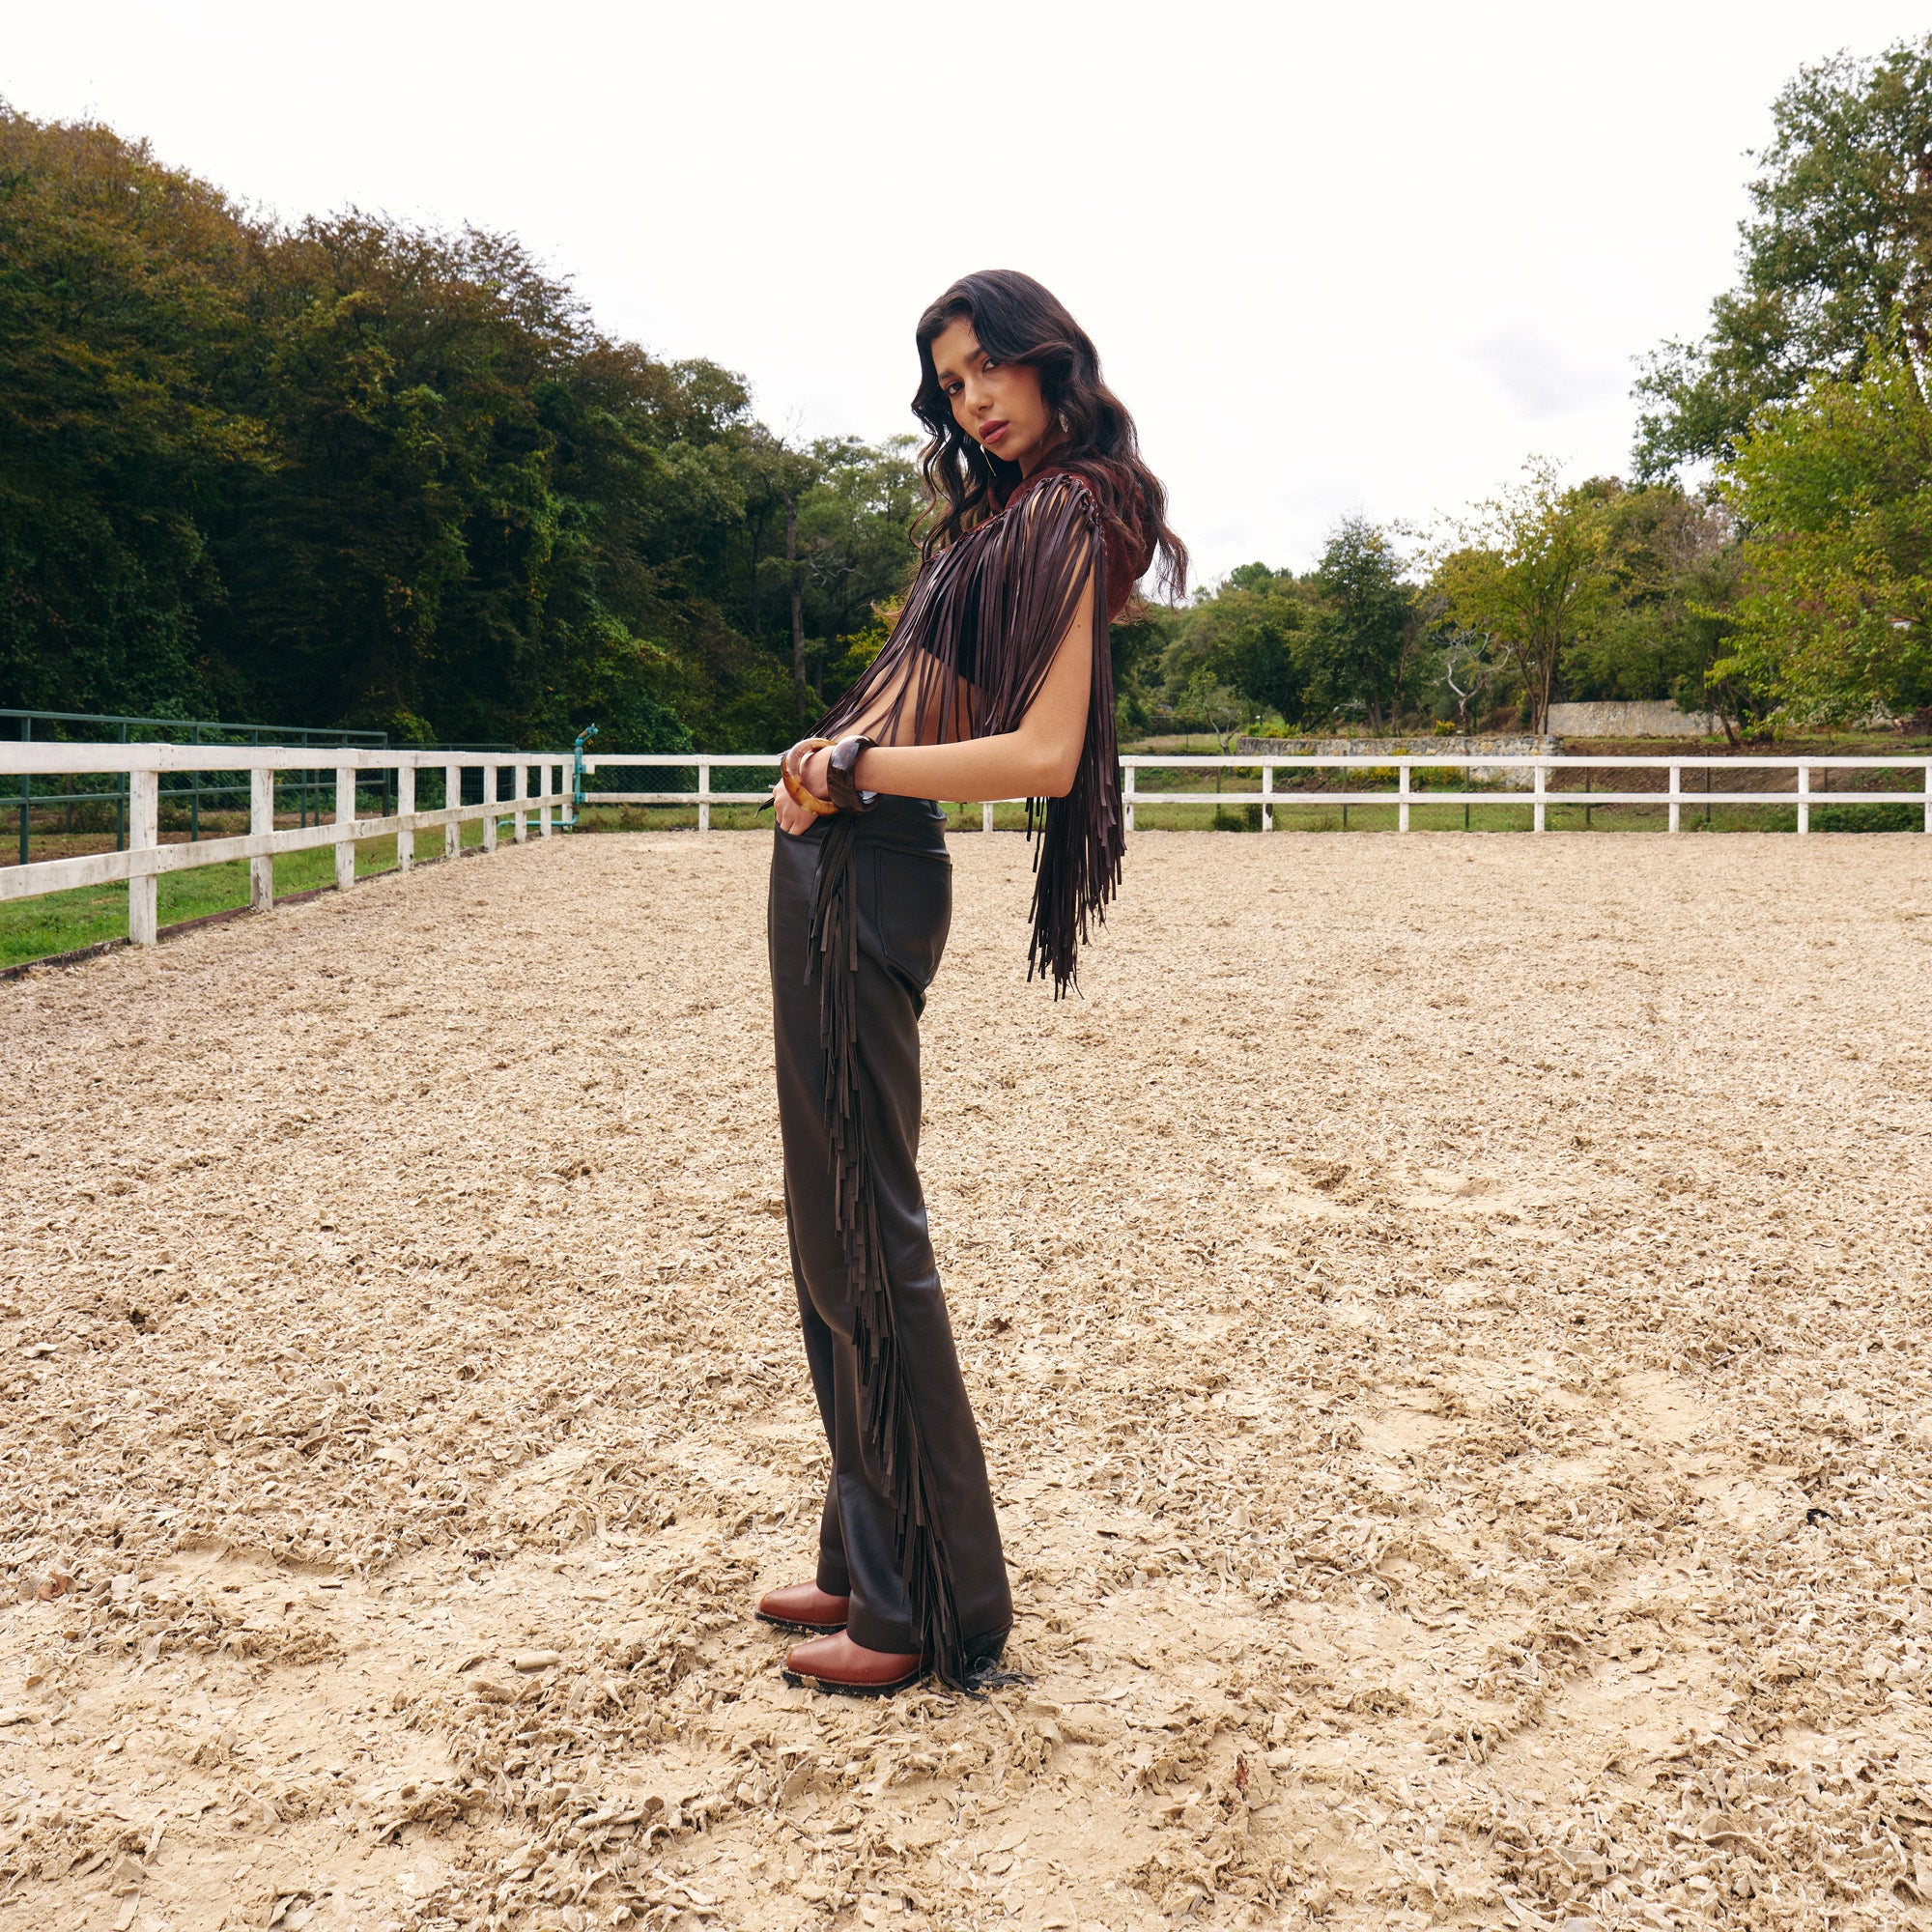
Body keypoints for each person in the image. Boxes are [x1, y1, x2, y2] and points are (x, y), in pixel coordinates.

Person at [759, 270, 1187, 1694]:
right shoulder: (1009, 516)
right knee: (830, 1230)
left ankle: (934, 1601)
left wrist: (850, 767)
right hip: (840, 859)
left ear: (1047, 353)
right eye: (949, 386)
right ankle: (863, 1553)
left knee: (865, 1231)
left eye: (987, 367)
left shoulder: (1070, 510)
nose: (974, 400)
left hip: (871, 857)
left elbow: (1044, 756)